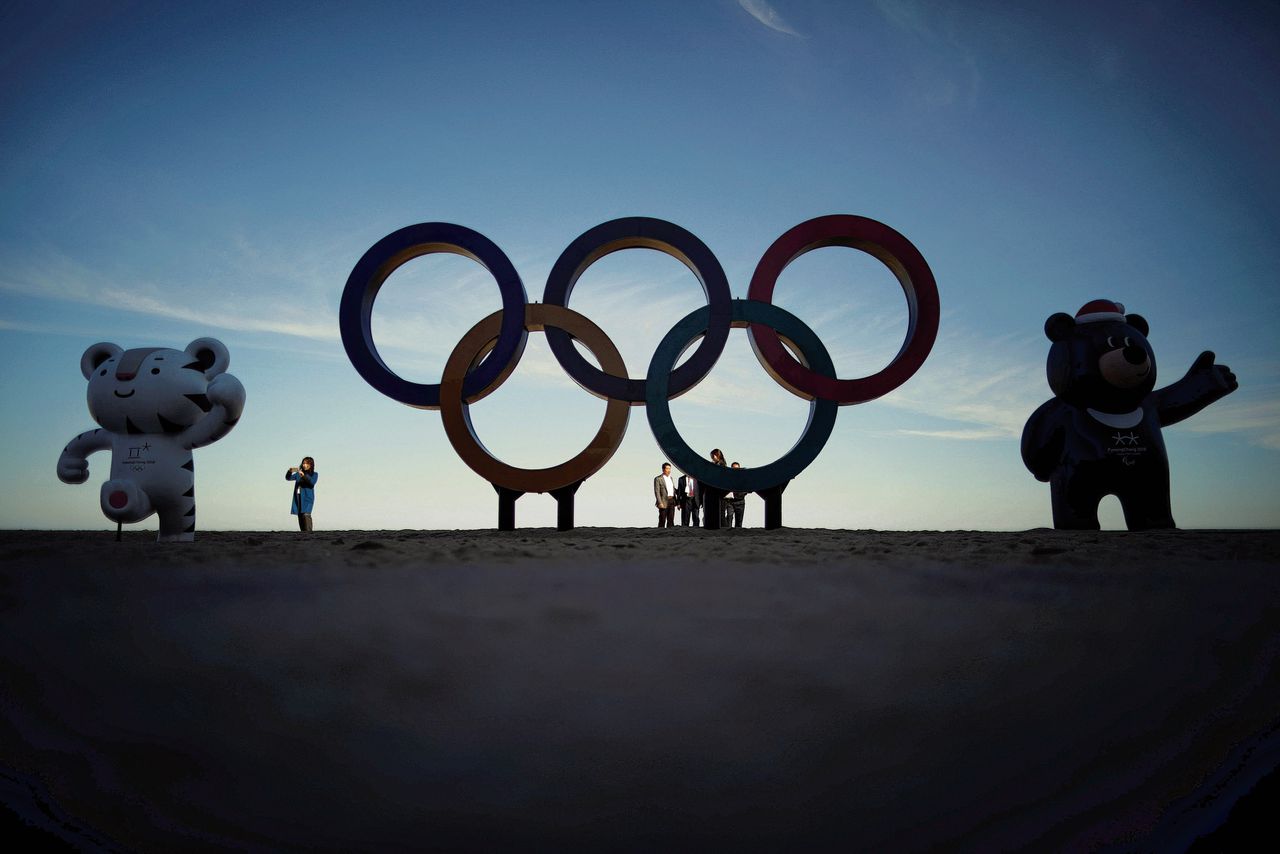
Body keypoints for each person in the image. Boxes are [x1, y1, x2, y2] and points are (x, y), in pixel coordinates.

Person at [286, 456, 318, 532]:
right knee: (300, 516)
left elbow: (312, 483)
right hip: (298, 498)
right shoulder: (297, 474)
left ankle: (309, 533)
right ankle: (304, 535)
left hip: (307, 498)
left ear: (311, 465)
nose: (304, 465)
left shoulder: (314, 474)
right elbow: (288, 478)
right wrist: (290, 471)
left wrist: (304, 475)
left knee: (306, 515)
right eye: (303, 463)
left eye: (307, 463)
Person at [653, 462, 676, 528]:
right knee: (662, 519)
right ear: (663, 469)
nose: (669, 470)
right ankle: (660, 533)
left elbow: (673, 490)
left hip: (672, 500)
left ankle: (670, 534)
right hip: (663, 501)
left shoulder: (671, 478)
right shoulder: (658, 479)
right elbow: (657, 492)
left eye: (670, 469)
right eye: (667, 468)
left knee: (671, 519)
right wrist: (660, 502)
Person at [728, 461, 747, 528]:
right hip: (730, 501)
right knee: (729, 519)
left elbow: (747, 489)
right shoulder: (728, 478)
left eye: (737, 469)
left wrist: (741, 495)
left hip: (740, 501)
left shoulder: (743, 478)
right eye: (734, 468)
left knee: (739, 522)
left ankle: (737, 536)